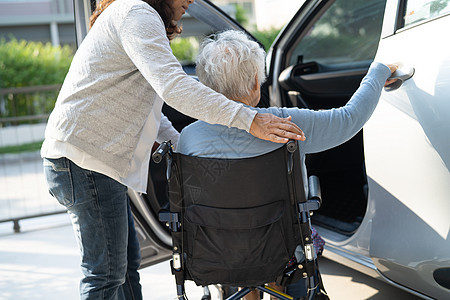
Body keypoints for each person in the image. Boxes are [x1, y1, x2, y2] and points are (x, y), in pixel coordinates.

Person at [41, 0, 305, 299]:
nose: (191, 1)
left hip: (89, 162)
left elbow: (151, 110)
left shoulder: (134, 13)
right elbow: (173, 87)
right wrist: (249, 119)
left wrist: (188, 149)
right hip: (86, 163)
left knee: (125, 268)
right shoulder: (136, 12)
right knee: (105, 275)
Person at [176, 30, 397, 299]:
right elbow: (349, 119)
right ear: (256, 84)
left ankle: (249, 291)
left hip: (216, 254)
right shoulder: (284, 124)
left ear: (205, 87)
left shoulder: (189, 137)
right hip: (282, 251)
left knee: (235, 228)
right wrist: (378, 72)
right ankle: (274, 284)